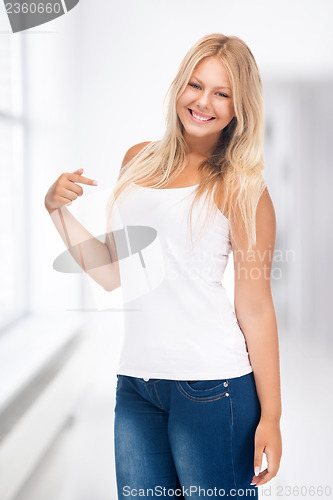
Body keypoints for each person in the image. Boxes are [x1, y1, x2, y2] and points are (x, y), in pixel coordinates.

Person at [45, 33, 282, 499]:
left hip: (214, 387)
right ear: (179, 86)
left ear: (241, 107)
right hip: (136, 383)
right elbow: (110, 272)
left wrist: (271, 416)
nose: (203, 102)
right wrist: (56, 210)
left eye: (222, 93)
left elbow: (255, 307)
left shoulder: (242, 186)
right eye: (195, 85)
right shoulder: (138, 160)